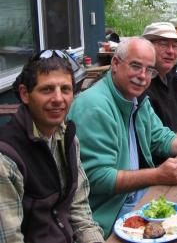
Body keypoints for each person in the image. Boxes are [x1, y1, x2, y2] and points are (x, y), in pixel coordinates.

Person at [67, 38, 177, 237]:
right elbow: (98, 178)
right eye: (136, 66)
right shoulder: (94, 106)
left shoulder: (137, 99)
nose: (143, 76)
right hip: (110, 215)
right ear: (115, 64)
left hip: (138, 196)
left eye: (149, 70)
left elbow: (162, 139)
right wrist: (157, 175)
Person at [0, 50, 104, 242]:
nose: (58, 99)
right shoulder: (6, 159)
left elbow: (79, 211)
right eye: (47, 89)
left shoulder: (66, 137)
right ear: (25, 94)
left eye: (65, 89)